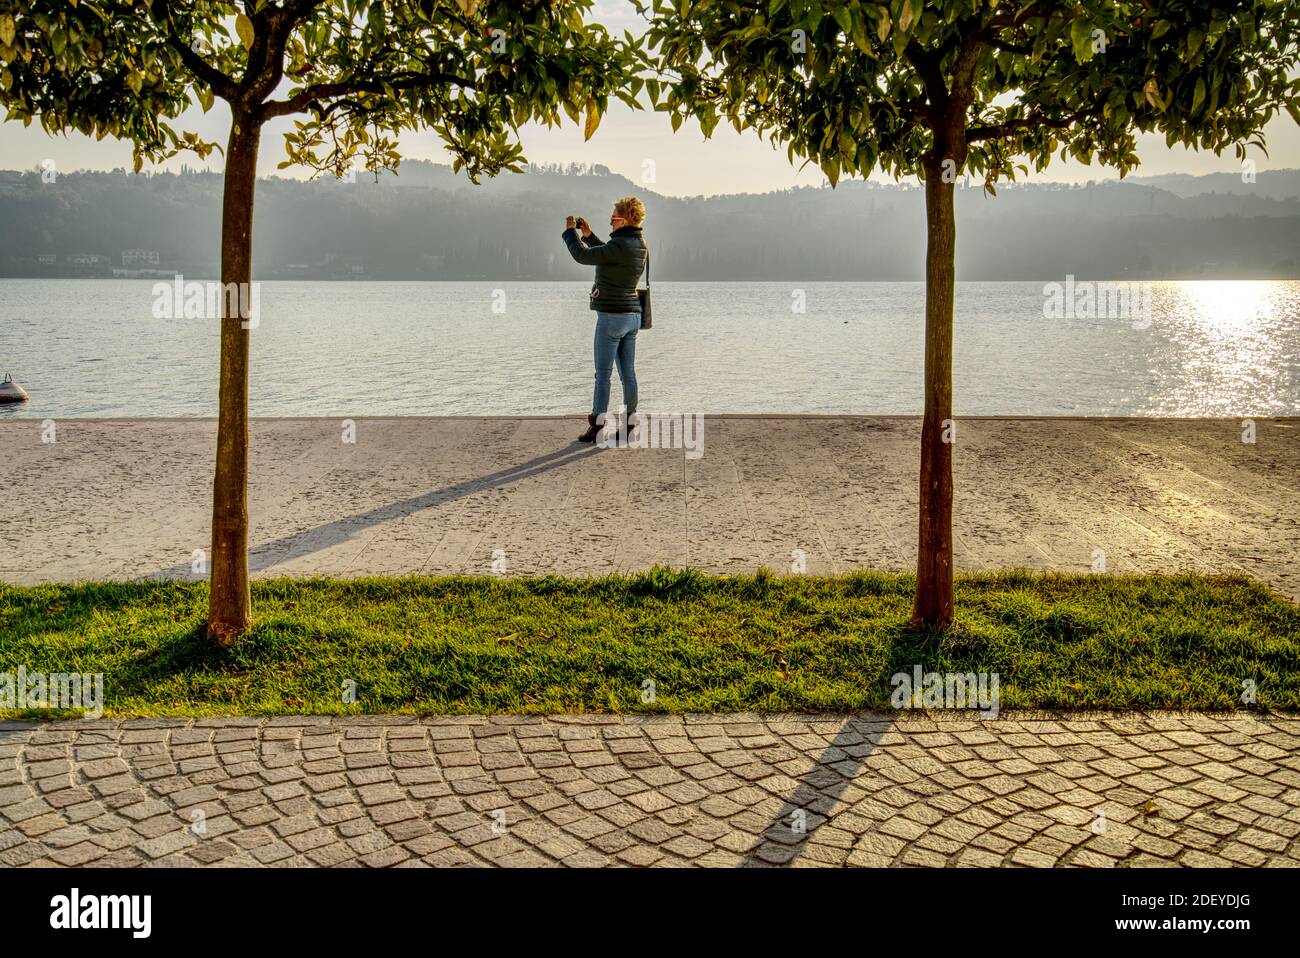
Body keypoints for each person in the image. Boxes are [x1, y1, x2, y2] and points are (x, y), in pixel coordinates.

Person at [561, 196, 647, 443]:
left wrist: (571, 234)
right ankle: (629, 425)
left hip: (611, 317)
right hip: (632, 316)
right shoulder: (638, 243)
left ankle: (597, 426)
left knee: (602, 374)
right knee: (628, 374)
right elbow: (607, 255)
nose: (610, 221)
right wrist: (588, 235)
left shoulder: (620, 246)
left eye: (613, 217)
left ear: (624, 219)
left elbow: (583, 256)